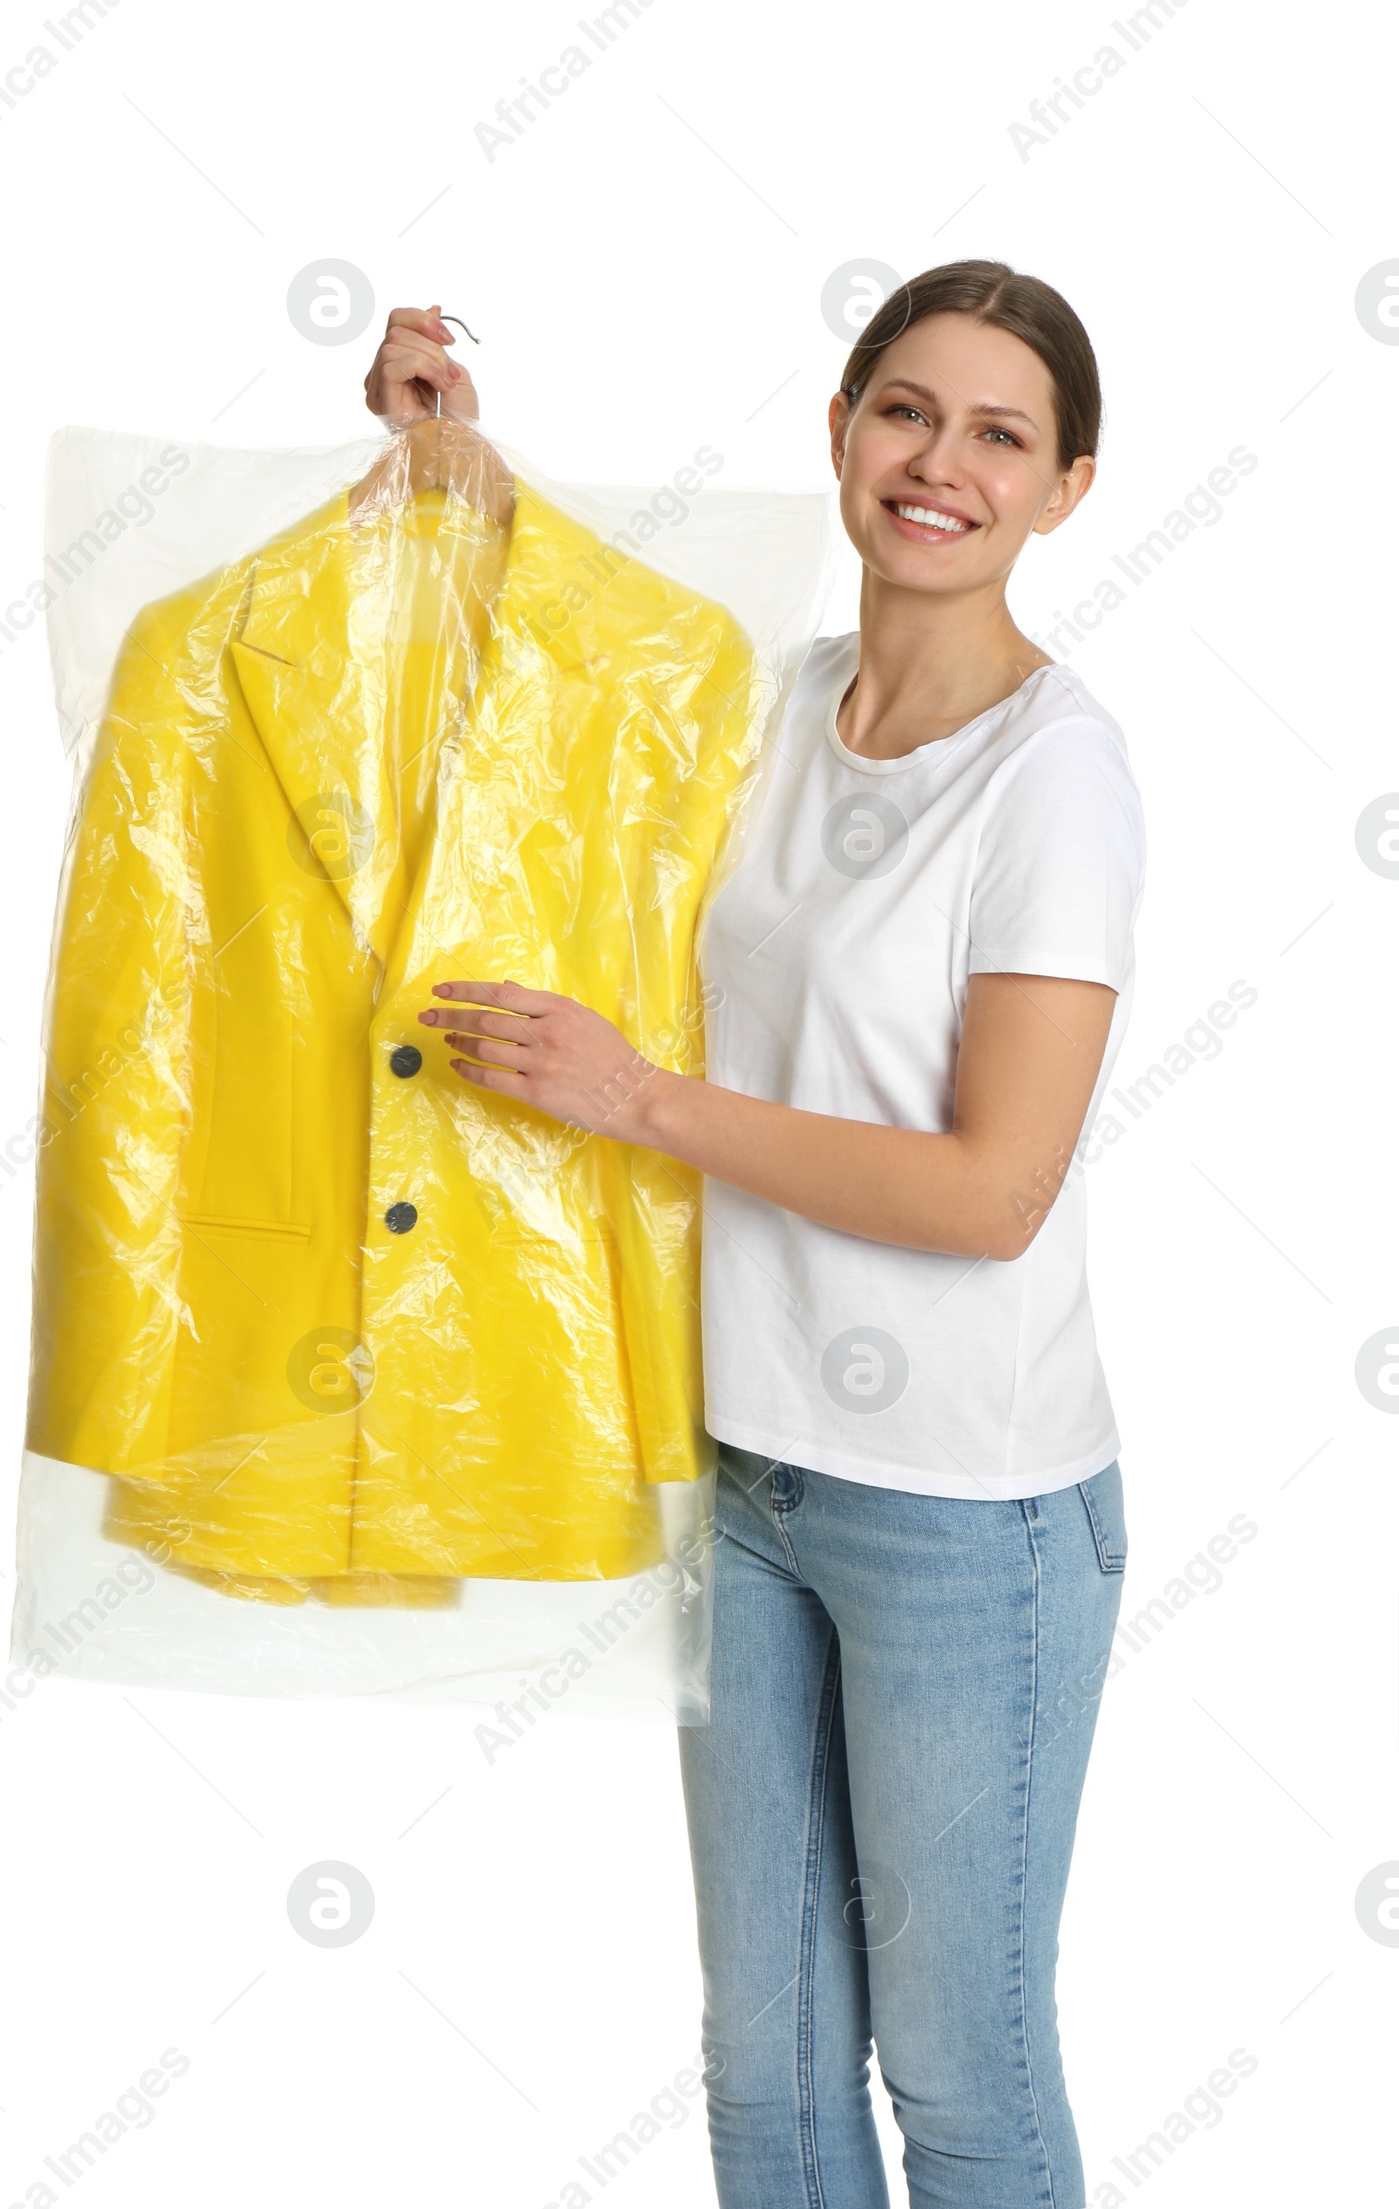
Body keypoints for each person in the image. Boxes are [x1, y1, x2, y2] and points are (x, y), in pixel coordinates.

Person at [369, 263, 1144, 2209]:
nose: (935, 463)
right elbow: (545, 678)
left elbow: (992, 1190)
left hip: (961, 1513)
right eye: (902, 409)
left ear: (1062, 489)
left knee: (954, 2081)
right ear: (835, 432)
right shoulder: (770, 708)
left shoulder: (1055, 775)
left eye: (996, 433)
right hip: (741, 1476)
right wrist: (438, 458)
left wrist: (642, 1102)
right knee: (770, 2074)